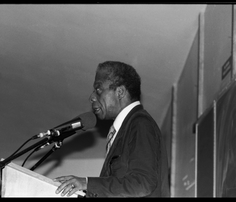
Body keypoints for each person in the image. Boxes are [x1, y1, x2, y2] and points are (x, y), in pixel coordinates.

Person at [54, 61, 170, 197]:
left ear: (120, 92)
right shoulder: (125, 128)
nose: (91, 97)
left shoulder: (140, 124)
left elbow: (142, 184)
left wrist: (87, 183)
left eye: (98, 90)